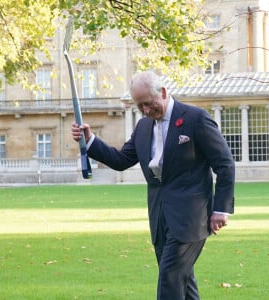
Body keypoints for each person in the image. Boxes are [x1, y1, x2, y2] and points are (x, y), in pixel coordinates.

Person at [72, 70, 235, 300]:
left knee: (170, 279)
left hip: (191, 218)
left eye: (149, 104)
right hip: (159, 217)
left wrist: (221, 209)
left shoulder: (195, 118)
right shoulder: (143, 128)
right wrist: (90, 140)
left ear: (163, 92)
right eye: (140, 107)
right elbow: (120, 161)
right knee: (183, 281)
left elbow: (225, 163)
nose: (147, 111)